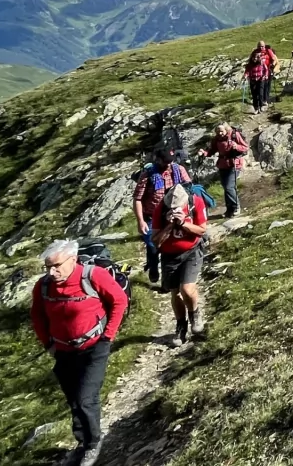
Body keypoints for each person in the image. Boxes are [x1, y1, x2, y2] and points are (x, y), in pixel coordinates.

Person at [31, 238, 128, 466]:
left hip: (94, 347)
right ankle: (82, 442)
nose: (51, 272)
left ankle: (94, 443)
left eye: (56, 266)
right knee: (74, 400)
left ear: (73, 260)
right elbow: (37, 316)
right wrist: (49, 345)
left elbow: (119, 301)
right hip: (63, 351)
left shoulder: (93, 276)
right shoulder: (43, 286)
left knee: (86, 399)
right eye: (48, 267)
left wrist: (108, 337)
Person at [153, 180, 209, 345]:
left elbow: (202, 229)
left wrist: (184, 222)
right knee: (175, 292)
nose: (174, 209)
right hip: (170, 255)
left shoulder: (195, 202)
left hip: (191, 251)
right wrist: (169, 225)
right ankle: (181, 326)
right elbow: (156, 241)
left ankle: (195, 315)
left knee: (187, 289)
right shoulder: (160, 209)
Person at [131, 148, 192, 283]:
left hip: (173, 214)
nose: (168, 165)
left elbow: (188, 188)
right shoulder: (147, 175)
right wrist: (140, 221)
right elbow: (137, 199)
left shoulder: (178, 170)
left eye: (170, 162)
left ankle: (168, 281)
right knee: (153, 246)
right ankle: (153, 267)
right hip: (152, 217)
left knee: (170, 248)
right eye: (165, 162)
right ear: (157, 159)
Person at [199, 122, 248, 218]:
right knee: (226, 187)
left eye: (221, 131)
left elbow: (245, 147)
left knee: (229, 187)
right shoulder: (216, 139)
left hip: (234, 164)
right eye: (217, 131)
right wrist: (203, 153)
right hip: (222, 165)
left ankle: (236, 207)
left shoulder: (234, 135)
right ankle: (229, 209)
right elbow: (211, 150)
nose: (219, 133)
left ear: (226, 129)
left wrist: (236, 147)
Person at [245, 40, 276, 112]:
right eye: (259, 46)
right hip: (258, 73)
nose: (261, 48)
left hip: (267, 70)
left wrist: (272, 65)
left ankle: (265, 100)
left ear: (264, 46)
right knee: (260, 89)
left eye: (262, 46)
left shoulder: (268, 51)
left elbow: (273, 59)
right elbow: (250, 61)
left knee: (266, 86)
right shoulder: (255, 52)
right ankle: (260, 103)